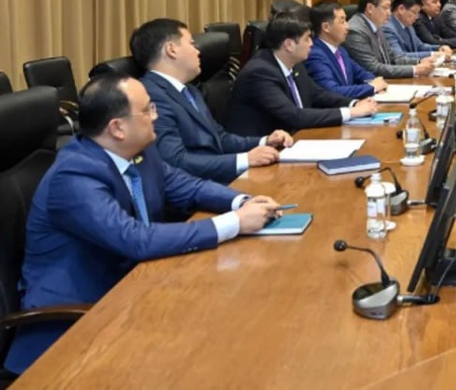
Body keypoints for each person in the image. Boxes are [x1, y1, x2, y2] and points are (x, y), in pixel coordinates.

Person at [2, 74, 280, 374]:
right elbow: (135, 239)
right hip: (74, 327)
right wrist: (234, 223)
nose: (156, 116)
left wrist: (241, 202)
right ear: (117, 128)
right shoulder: (74, 175)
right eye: (147, 110)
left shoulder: (139, 152)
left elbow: (188, 186)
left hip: (136, 292)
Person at [134, 18, 293, 183]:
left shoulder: (189, 89)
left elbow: (219, 138)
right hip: (195, 188)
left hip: (218, 179)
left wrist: (264, 141)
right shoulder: (150, 96)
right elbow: (176, 161)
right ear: (171, 50)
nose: (198, 51)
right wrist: (244, 159)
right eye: (191, 44)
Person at [226, 12, 377, 137]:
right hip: (260, 151)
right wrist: (351, 112)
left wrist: (354, 103)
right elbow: (295, 116)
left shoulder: (294, 64)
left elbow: (318, 94)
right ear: (289, 45)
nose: (312, 43)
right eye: (307, 38)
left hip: (295, 138)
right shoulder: (260, 72)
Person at [345, 0, 435, 79]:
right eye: (385, 8)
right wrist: (414, 70)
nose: (389, 13)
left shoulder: (376, 25)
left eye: (389, 8)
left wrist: (419, 62)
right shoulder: (356, 31)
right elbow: (373, 68)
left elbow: (393, 58)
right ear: (370, 8)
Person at [305, 1, 388, 99]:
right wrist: (372, 87)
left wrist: (374, 81)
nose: (347, 26)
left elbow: (361, 73)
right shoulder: (314, 55)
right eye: (342, 21)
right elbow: (332, 91)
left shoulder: (340, 50)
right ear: (326, 27)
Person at [384, 0, 453, 61]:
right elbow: (399, 56)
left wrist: (439, 48)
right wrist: (432, 54)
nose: (417, 17)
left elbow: (419, 46)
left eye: (418, 13)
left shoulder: (408, 24)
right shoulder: (387, 28)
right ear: (401, 9)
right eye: (414, 12)